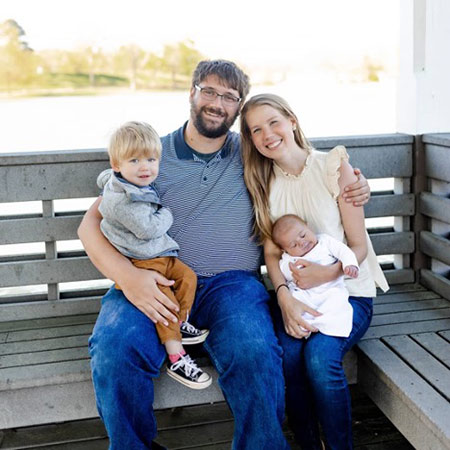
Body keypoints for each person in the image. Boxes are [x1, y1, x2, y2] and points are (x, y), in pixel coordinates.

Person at [78, 60, 371, 450]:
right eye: (209, 91)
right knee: (115, 349)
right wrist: (129, 279)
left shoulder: (250, 154)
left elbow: (304, 162)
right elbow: (88, 226)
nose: (218, 102)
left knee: (254, 350)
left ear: (238, 107)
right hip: (153, 278)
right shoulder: (150, 156)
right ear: (192, 93)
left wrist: (354, 182)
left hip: (231, 285)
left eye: (229, 97)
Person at [240, 93, 389, 449]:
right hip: (297, 298)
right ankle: (308, 444)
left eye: (273, 122)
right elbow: (272, 257)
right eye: (256, 130)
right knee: (288, 360)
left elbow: (359, 244)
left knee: (321, 362)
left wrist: (327, 274)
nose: (267, 134)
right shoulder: (262, 185)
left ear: (292, 120)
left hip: (349, 295)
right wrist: (285, 299)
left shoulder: (334, 169)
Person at [97, 120, 211, 389]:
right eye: (134, 160)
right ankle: (177, 357)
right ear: (117, 164)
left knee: (187, 277)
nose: (145, 167)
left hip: (161, 254)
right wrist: (167, 213)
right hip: (144, 260)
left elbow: (104, 178)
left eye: (151, 159)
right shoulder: (124, 200)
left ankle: (182, 322)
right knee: (166, 303)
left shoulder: (123, 180)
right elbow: (148, 228)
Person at [272, 214, 359, 338]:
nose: (302, 242)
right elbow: (285, 272)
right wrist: (292, 271)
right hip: (306, 293)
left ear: (308, 227)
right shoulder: (288, 259)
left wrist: (350, 265)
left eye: (303, 235)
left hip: (330, 288)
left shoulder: (325, 242)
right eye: (293, 245)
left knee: (336, 300)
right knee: (296, 297)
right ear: (285, 250)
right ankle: (305, 325)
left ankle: (328, 324)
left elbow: (344, 251)